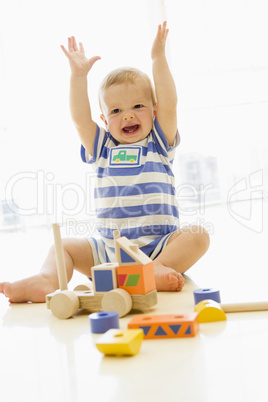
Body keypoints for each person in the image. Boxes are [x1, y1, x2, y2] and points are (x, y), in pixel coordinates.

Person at [0, 22, 209, 303]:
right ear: (104, 120)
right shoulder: (102, 147)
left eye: (138, 106)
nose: (127, 116)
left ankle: (155, 269)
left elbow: (170, 103)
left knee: (198, 236)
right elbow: (79, 119)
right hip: (108, 252)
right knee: (63, 246)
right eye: (116, 110)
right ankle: (47, 279)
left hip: (158, 246)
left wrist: (158, 58)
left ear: (154, 111)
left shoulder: (158, 143)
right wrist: (77, 76)